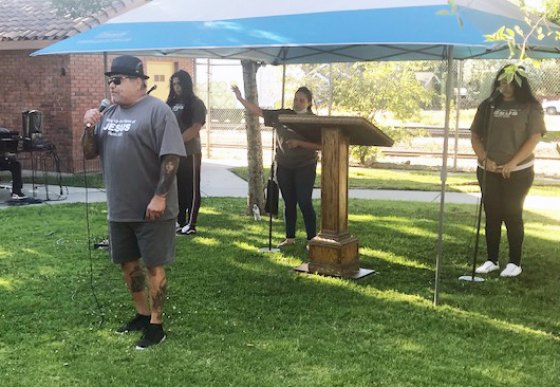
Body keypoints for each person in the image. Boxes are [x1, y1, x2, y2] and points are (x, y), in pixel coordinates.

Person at [82, 55, 186, 349]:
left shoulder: (158, 112)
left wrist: (160, 195)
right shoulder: (109, 113)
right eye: (110, 80)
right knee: (128, 265)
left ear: (139, 81)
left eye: (118, 80)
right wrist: (89, 126)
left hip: (152, 208)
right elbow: (90, 152)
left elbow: (171, 157)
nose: (111, 86)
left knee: (154, 265)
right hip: (120, 207)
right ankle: (141, 314)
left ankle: (156, 324)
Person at [470, 64, 546, 278]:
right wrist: (486, 159)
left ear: (520, 83)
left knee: (513, 214)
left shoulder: (531, 107)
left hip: (519, 171)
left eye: (510, 81)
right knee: (492, 214)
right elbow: (475, 135)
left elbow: (534, 137)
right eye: (502, 81)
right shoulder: (488, 105)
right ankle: (491, 260)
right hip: (488, 170)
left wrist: (513, 163)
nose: (504, 85)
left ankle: (514, 262)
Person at [232, 85, 320, 248]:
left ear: (308, 103)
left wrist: (298, 143)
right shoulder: (283, 114)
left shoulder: (313, 120)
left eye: (302, 100)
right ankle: (290, 238)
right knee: (289, 202)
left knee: (304, 201)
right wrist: (240, 98)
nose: (298, 102)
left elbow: (320, 145)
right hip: (284, 165)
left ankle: (312, 239)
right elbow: (259, 112)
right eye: (296, 99)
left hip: (305, 166)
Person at [166, 70, 207, 235]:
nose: (177, 88)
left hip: (191, 152)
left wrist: (177, 142)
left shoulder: (196, 103)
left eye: (179, 84)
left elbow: (195, 127)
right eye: (174, 84)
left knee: (192, 187)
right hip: (174, 152)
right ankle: (179, 220)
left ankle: (191, 223)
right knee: (177, 187)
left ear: (186, 84)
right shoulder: (170, 103)